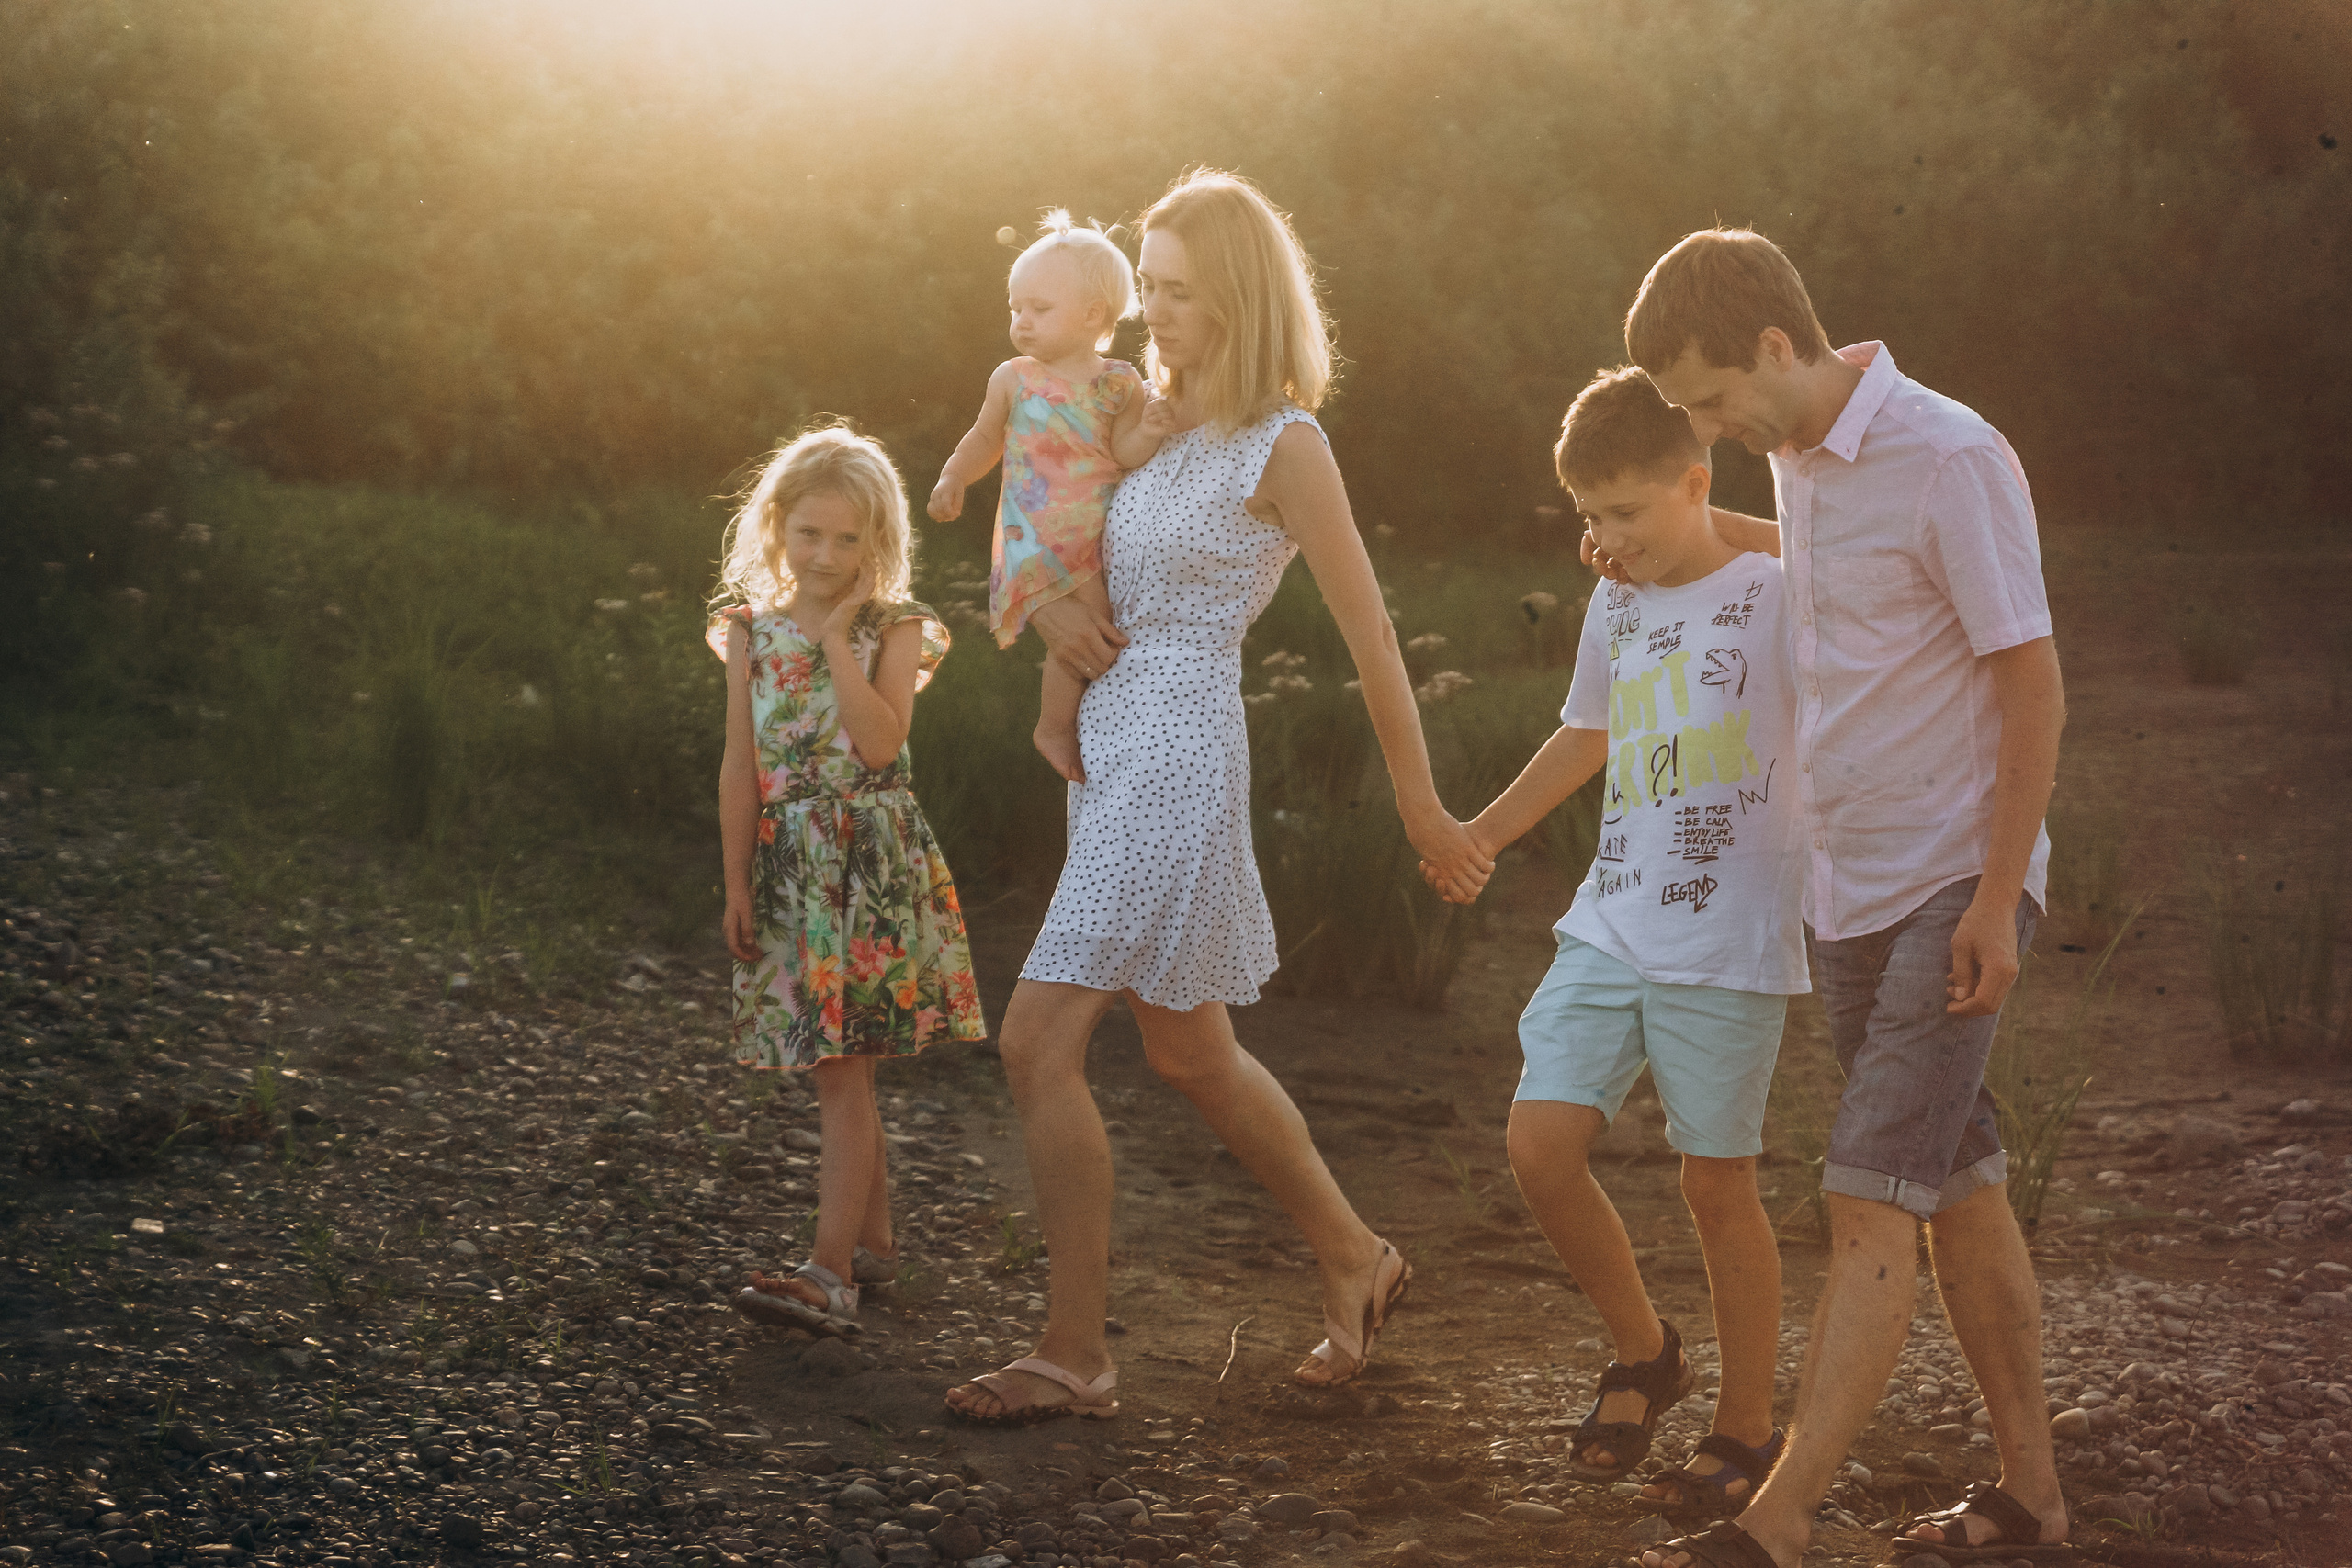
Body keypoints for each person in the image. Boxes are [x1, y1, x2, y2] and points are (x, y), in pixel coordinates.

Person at [940, 169, 1493, 1427]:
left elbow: (1372, 637)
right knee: (1189, 1046)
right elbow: (1054, 536)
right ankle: (1358, 1255)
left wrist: (1420, 808)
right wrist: (1059, 628)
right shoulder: (1139, 415)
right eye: (1151, 290)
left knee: (1035, 1039)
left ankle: (1074, 1349)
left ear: (1240, 297)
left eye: (1182, 294)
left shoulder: (1284, 443)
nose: (1156, 317)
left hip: (1184, 743)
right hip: (1110, 744)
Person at [1610, 230, 2068, 1568]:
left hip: (1952, 880)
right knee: (1959, 1181)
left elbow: (2033, 682)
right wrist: (1673, 541)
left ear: (1771, 345)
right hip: (1847, 885)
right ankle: (2032, 1491)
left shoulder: (1951, 455)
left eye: (1705, 399)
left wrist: (1994, 900)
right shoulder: (1794, 453)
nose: (1704, 425)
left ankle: (1783, 1513)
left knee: (1869, 1190)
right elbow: (1826, 589)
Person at [1428, 366, 1802, 1513]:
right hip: (1613, 914)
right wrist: (1477, 833)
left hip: (1728, 938)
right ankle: (1645, 1350)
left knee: (1715, 1184)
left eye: (1629, 513)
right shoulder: (1616, 600)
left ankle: (1744, 1427)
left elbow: (1855, 554)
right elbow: (1585, 734)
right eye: (1590, 516)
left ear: (1698, 483)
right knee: (1539, 1146)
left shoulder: (1778, 587)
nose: (1607, 539)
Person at [708, 423, 989, 1337]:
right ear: (776, 527)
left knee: (842, 1069)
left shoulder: (894, 628)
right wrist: (738, 881)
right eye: (809, 535)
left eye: (847, 539)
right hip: (792, 863)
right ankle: (875, 1250)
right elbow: (739, 765)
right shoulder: (747, 632)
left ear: (877, 544)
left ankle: (830, 1274)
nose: (825, 556)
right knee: (841, 1065)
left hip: (870, 865)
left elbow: (878, 743)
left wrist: (836, 641)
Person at [927, 211, 1176, 784]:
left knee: (1097, 625)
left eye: (1039, 309)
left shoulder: (1120, 383)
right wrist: (954, 477)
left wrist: (1153, 430)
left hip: (1093, 532)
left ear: (1093, 315)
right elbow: (983, 438)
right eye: (1016, 308)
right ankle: (1054, 724)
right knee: (1087, 628)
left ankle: (1090, 723)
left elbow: (1127, 450)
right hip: (1035, 533)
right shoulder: (1014, 378)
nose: (1022, 322)